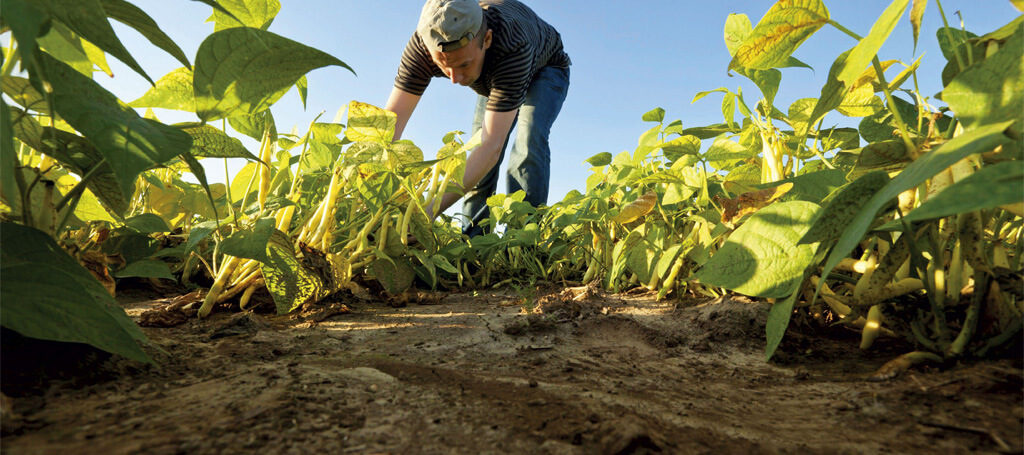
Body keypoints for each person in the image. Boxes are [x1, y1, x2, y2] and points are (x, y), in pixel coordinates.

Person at [385, 0, 570, 237]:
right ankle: (473, 243)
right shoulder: (422, 47)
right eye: (443, 66)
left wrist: (427, 213)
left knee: (528, 140)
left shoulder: (513, 45)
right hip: (492, 76)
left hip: (545, 68)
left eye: (464, 64)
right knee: (475, 155)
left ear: (487, 39)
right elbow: (390, 124)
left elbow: (490, 147)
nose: (455, 78)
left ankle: (523, 241)